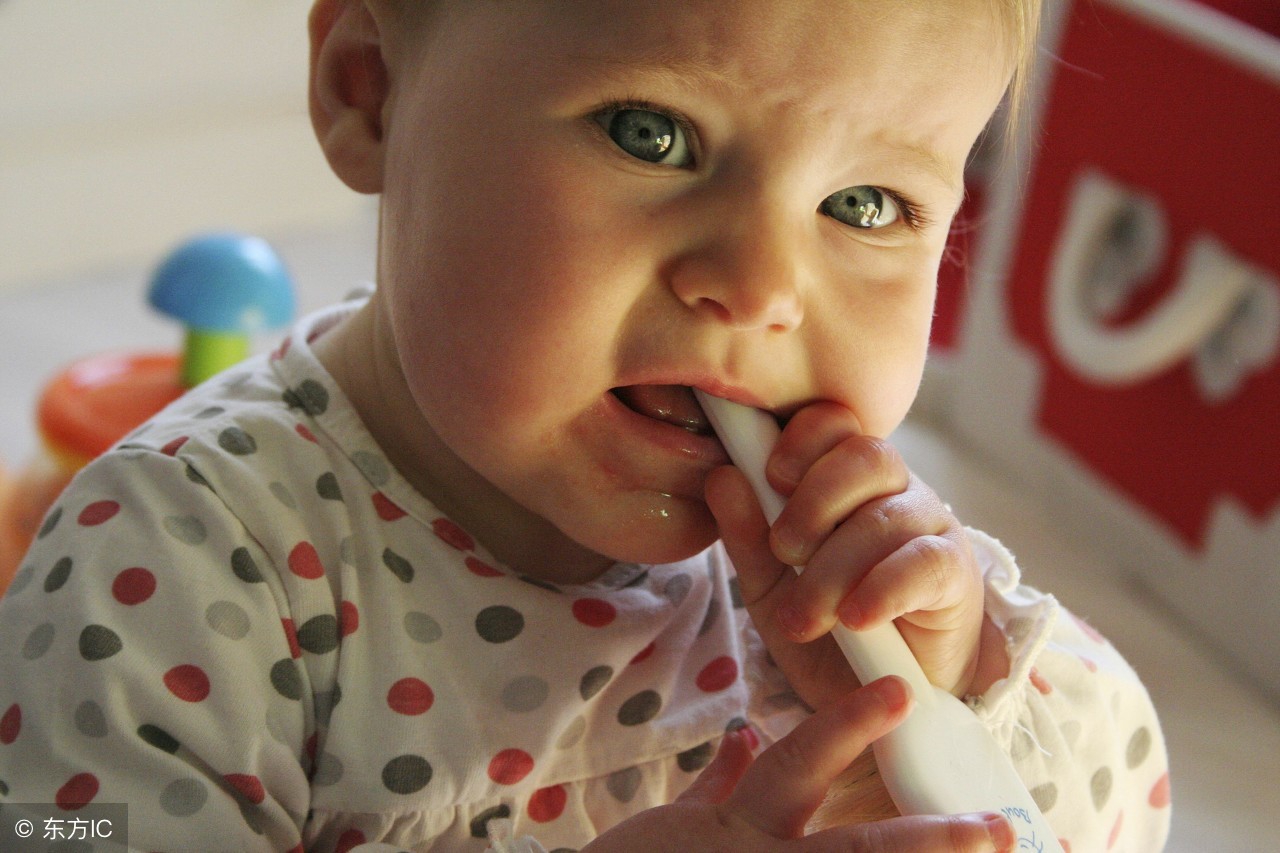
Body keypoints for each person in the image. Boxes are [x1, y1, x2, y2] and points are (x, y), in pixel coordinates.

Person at [0, 1, 1171, 850]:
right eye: (650, 134)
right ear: (370, 92)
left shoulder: (839, 574)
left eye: (864, 205)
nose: (761, 286)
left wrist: (942, 708)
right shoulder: (165, 560)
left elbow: (1118, 803)